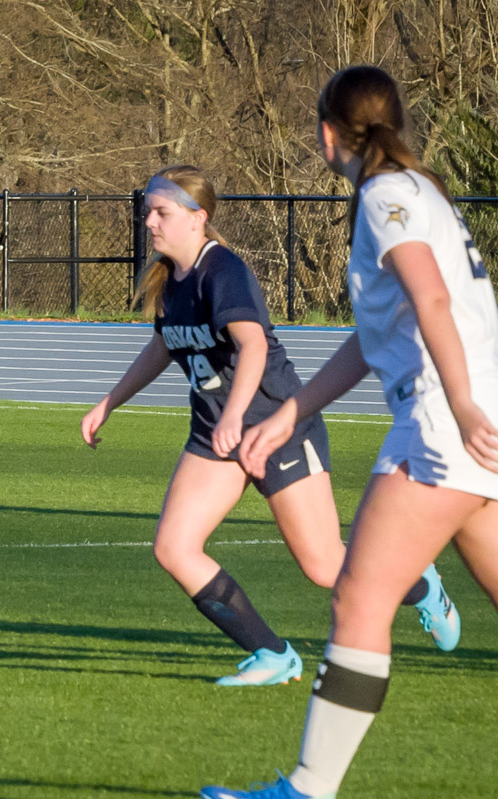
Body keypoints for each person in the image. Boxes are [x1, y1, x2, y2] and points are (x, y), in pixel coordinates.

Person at [200, 65, 498, 799]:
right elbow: (377, 338)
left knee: (359, 598)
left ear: (329, 133)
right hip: (467, 414)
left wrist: (458, 406)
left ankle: (306, 789)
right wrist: (293, 412)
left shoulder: (385, 195)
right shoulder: (422, 189)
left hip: (443, 422)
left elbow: (428, 294)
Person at [80, 164, 458, 688]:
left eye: (160, 211)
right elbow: (165, 345)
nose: (149, 221)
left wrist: (236, 415)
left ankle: (421, 585)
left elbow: (253, 345)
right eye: (147, 211)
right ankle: (273, 654)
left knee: (325, 567)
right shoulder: (171, 278)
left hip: (276, 426)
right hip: (218, 436)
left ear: (197, 217)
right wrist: (110, 402)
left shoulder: (224, 270)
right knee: (174, 548)